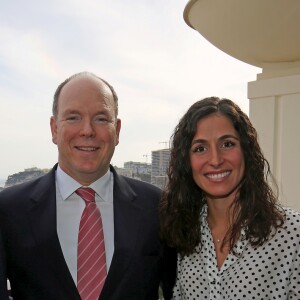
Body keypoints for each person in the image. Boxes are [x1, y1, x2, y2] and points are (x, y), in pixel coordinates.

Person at [0, 71, 174, 300]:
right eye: (73, 117)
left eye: (101, 118)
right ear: (54, 129)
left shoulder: (158, 206)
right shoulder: (9, 210)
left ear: (117, 130)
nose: (87, 130)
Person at [159, 97, 300, 299]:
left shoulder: (292, 233)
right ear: (186, 162)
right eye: (200, 148)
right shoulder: (183, 233)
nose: (215, 160)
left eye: (227, 144)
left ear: (246, 150)